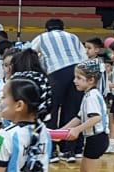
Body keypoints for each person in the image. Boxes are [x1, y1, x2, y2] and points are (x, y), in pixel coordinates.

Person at [30, 18, 85, 161]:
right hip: (78, 71)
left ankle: (52, 150)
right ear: (63, 28)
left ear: (47, 29)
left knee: (51, 111)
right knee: (72, 111)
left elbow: (29, 54)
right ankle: (70, 150)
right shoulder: (73, 37)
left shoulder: (42, 37)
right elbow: (84, 57)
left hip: (56, 72)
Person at [63, 60, 110, 172]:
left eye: (79, 78)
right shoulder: (90, 95)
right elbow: (79, 117)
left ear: (91, 80)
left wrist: (77, 130)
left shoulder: (91, 97)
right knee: (85, 171)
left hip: (96, 138)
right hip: (96, 139)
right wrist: (62, 130)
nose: (74, 81)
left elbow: (96, 118)